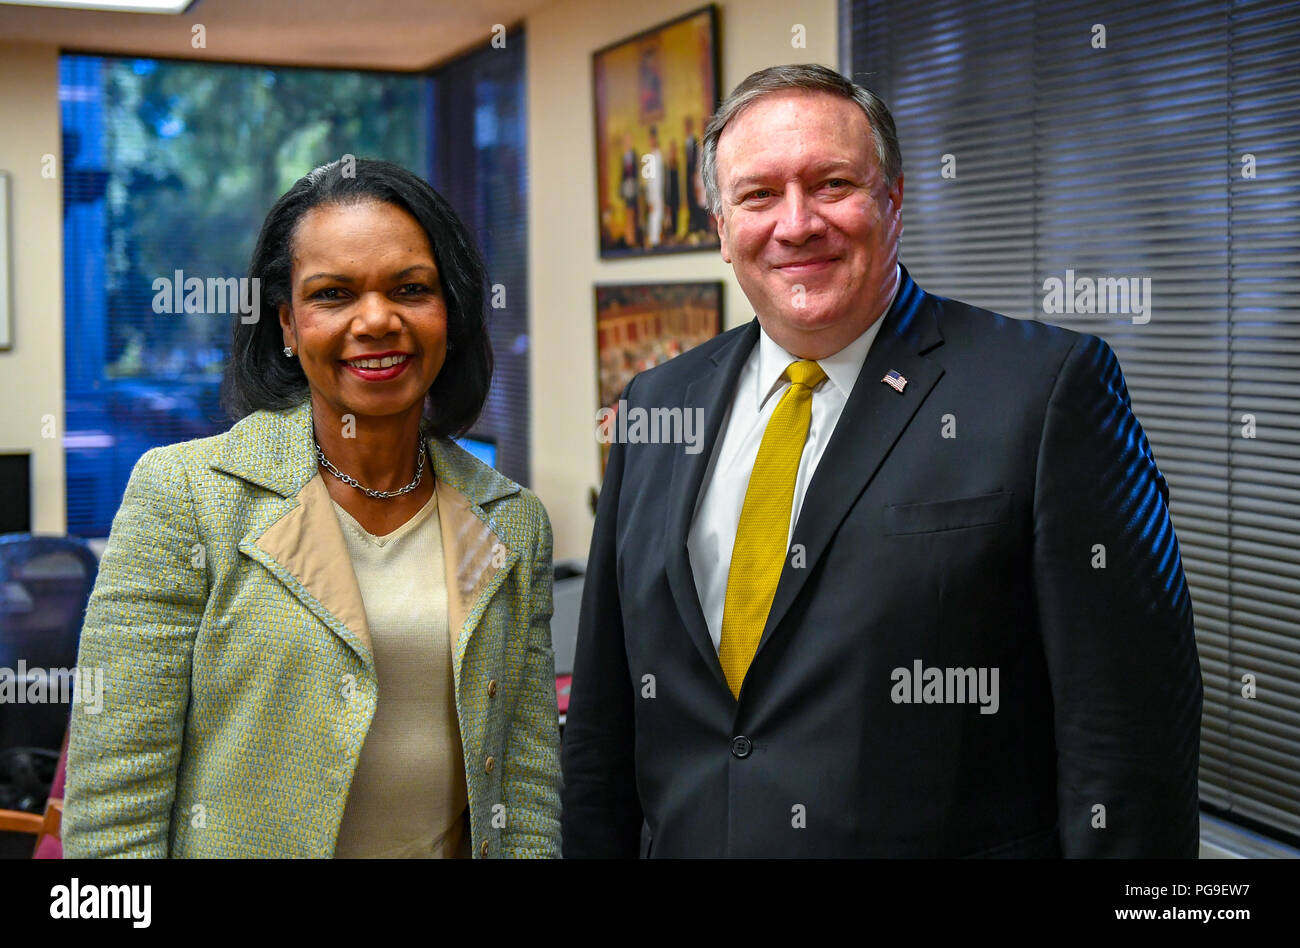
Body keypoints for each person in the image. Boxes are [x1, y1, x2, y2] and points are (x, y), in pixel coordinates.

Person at [561, 64, 1202, 858]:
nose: (796, 225)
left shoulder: (1045, 392)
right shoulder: (657, 403)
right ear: (722, 227)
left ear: (893, 201)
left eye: (832, 184)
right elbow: (601, 720)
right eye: (758, 195)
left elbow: (1128, 736)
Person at [64, 158, 562, 858]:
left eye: (411, 289)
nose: (377, 320)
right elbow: (114, 810)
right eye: (333, 295)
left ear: (448, 312)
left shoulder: (513, 520)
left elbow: (527, 779)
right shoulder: (186, 495)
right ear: (289, 327)